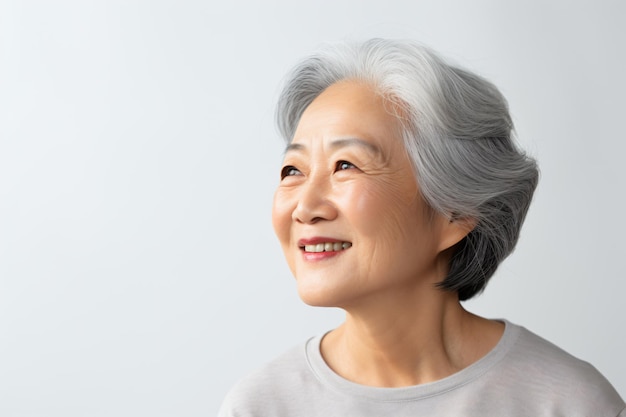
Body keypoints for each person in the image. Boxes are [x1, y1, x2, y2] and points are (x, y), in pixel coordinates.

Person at [218, 39, 625, 416]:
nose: (305, 207)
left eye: (346, 165)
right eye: (293, 170)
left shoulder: (568, 403)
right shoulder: (261, 406)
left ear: (456, 212)